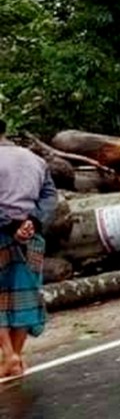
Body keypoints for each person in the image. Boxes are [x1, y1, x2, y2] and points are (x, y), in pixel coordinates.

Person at [0, 120, 58, 378]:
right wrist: (31, 222)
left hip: (3, 233)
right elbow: (49, 197)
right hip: (31, 236)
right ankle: (16, 356)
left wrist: (11, 224)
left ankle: (8, 354)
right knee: (23, 296)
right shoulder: (34, 159)